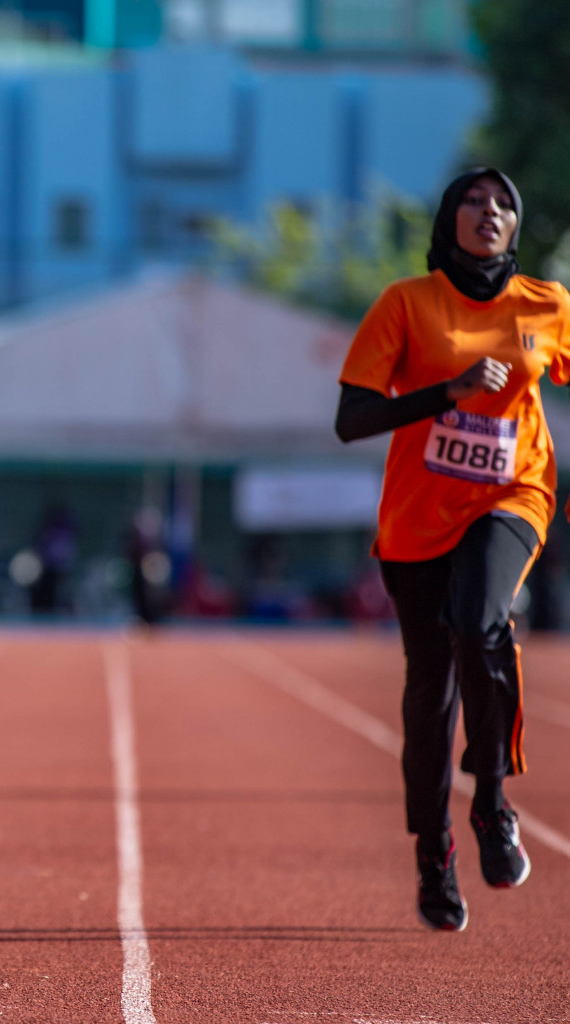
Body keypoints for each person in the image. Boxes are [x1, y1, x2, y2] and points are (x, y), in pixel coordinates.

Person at [335, 168, 568, 931]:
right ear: (449, 218)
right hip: (417, 518)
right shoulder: (407, 303)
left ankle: (493, 805)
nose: (489, 211)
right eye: (473, 199)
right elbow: (352, 418)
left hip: (511, 496)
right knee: (428, 696)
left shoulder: (546, 306)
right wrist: (449, 392)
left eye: (504, 201)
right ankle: (433, 854)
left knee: (480, 619)